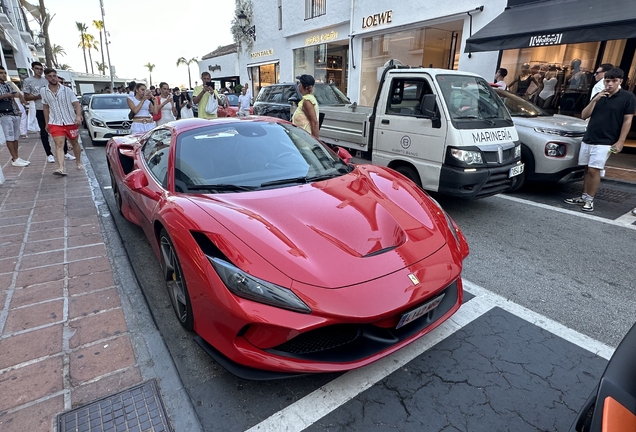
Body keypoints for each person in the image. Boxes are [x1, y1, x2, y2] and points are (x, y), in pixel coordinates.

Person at [564, 68, 636, 212]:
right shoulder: (599, 95)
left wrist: (621, 141)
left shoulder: (628, 97)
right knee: (586, 168)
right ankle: (584, 196)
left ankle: (590, 199)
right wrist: (595, 99)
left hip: (606, 140)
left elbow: (628, 120)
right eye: (607, 81)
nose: (609, 84)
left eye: (613, 81)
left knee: (593, 170)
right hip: (590, 136)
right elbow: (584, 115)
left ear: (620, 81)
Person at [23, 61, 70, 163]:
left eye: (41, 69)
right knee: (44, 133)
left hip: (54, 109)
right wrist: (39, 96)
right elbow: (26, 97)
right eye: (37, 68)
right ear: (33, 69)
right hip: (40, 109)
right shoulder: (28, 81)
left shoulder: (47, 80)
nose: (39, 71)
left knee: (62, 130)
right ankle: (49, 154)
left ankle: (65, 152)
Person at [40, 68, 83, 176]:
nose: (53, 78)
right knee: (59, 144)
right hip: (55, 122)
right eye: (50, 76)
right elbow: (45, 107)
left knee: (74, 143)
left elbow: (76, 104)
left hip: (70, 121)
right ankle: (60, 168)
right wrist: (47, 122)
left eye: (54, 76)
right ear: (46, 78)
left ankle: (78, 161)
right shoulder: (43, 91)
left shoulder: (67, 90)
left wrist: (78, 116)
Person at [0, 66, 29, 167]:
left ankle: (16, 157)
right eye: (1, 73)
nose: (3, 75)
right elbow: (8, 96)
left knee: (15, 137)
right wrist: (6, 95)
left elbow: (13, 97)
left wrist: (18, 109)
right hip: (4, 114)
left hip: (14, 112)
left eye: (4, 73)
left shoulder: (8, 85)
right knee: (10, 137)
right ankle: (15, 158)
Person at [291, 74, 319, 138]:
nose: (298, 85)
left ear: (305, 88)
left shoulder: (307, 101)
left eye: (300, 83)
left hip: (304, 139)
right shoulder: (307, 99)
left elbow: (314, 123)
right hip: (302, 137)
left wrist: (315, 142)